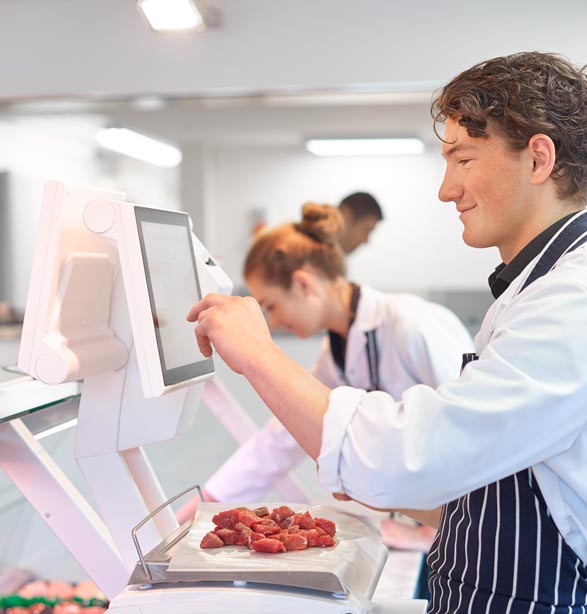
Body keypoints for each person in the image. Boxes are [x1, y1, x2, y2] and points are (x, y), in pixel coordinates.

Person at [187, 52, 587, 614]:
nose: (447, 189)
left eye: (463, 159)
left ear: (539, 159)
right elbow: (489, 477)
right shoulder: (537, 292)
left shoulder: (575, 305)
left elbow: (410, 451)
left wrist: (258, 353)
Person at [177, 201, 473, 535]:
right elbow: (280, 440)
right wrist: (198, 510)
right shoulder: (335, 354)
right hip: (429, 521)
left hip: (466, 525)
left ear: (303, 284)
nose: (273, 322)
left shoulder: (413, 325)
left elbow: (472, 433)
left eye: (271, 306)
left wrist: (433, 528)